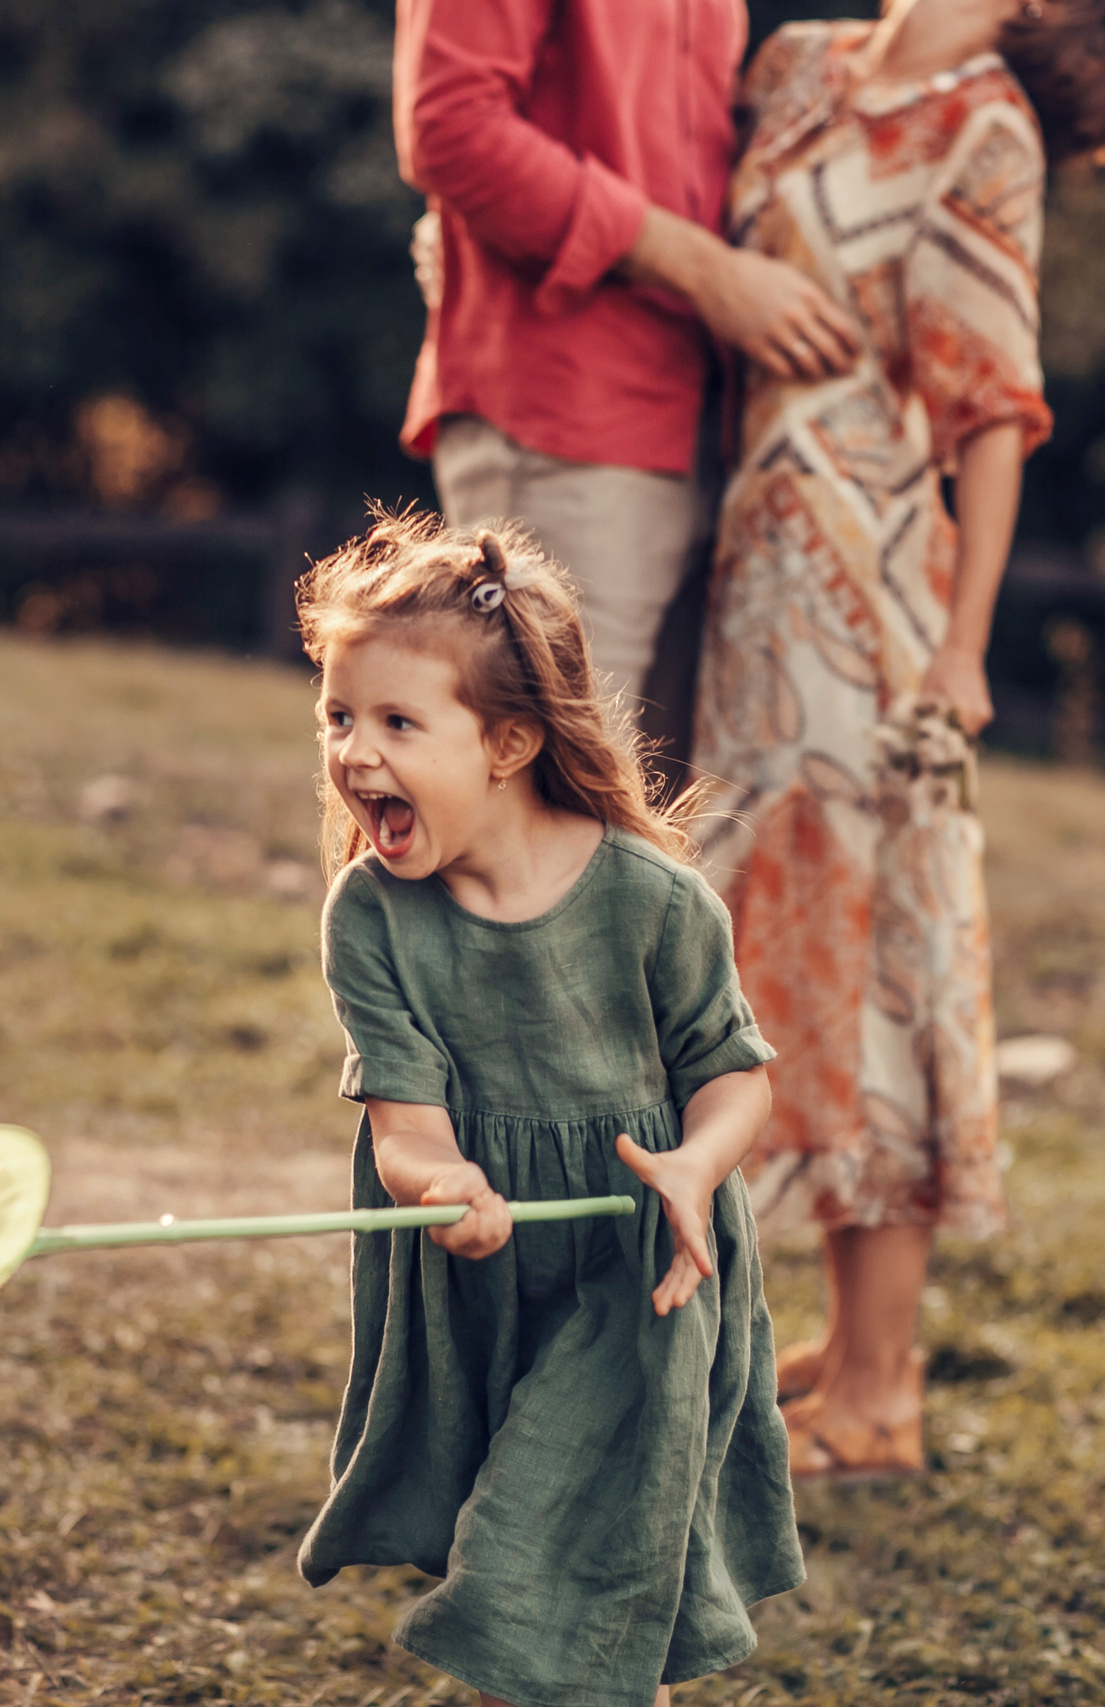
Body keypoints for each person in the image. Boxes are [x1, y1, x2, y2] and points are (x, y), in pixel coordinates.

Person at [693, 0, 1105, 1479]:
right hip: (758, 566)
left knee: (885, 956)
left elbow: (995, 405)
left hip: (876, 579)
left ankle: (881, 1389)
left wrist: (962, 646)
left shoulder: (983, 125)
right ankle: (848, 1341)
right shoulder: (799, 67)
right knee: (788, 952)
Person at [292, 510, 801, 1707]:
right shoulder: (370, 916)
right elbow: (404, 1128)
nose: (355, 753)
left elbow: (735, 1075)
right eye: (338, 716)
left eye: (397, 723)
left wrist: (694, 1166)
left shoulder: (654, 903)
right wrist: (443, 1184)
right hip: (482, 1283)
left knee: (562, 1544)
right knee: (527, 1540)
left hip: (640, 1267)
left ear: (508, 742)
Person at [392, 0, 867, 735]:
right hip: (568, 412)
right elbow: (450, 129)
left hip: (713, 424)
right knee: (547, 782)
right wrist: (709, 272)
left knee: (653, 800)